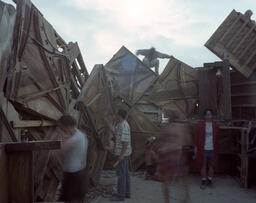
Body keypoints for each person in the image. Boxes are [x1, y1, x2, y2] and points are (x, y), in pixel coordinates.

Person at [156, 111, 192, 203]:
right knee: (168, 180)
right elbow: (161, 140)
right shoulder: (168, 127)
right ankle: (171, 200)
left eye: (168, 116)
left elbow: (186, 141)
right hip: (168, 155)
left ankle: (185, 198)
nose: (168, 117)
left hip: (175, 155)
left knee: (180, 179)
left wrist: (171, 146)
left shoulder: (178, 127)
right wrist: (162, 149)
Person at [58, 115, 88, 203]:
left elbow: (61, 151)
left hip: (73, 174)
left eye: (62, 128)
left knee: (73, 199)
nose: (62, 130)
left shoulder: (74, 139)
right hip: (78, 172)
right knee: (74, 199)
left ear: (68, 126)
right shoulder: (82, 135)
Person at [194, 109, 220, 189]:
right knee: (203, 165)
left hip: (212, 148)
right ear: (205, 116)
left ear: (212, 116)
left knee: (212, 165)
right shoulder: (200, 125)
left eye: (210, 114)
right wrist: (195, 147)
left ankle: (210, 180)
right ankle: (203, 180)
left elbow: (218, 138)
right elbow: (196, 137)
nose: (209, 116)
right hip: (203, 148)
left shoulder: (215, 125)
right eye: (207, 114)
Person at [110, 109, 132, 201]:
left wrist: (121, 155)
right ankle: (126, 193)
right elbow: (115, 131)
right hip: (123, 153)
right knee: (125, 173)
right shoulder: (120, 124)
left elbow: (125, 142)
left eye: (116, 114)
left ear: (120, 115)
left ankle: (120, 195)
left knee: (121, 174)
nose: (115, 116)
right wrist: (107, 122)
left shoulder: (124, 125)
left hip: (122, 154)